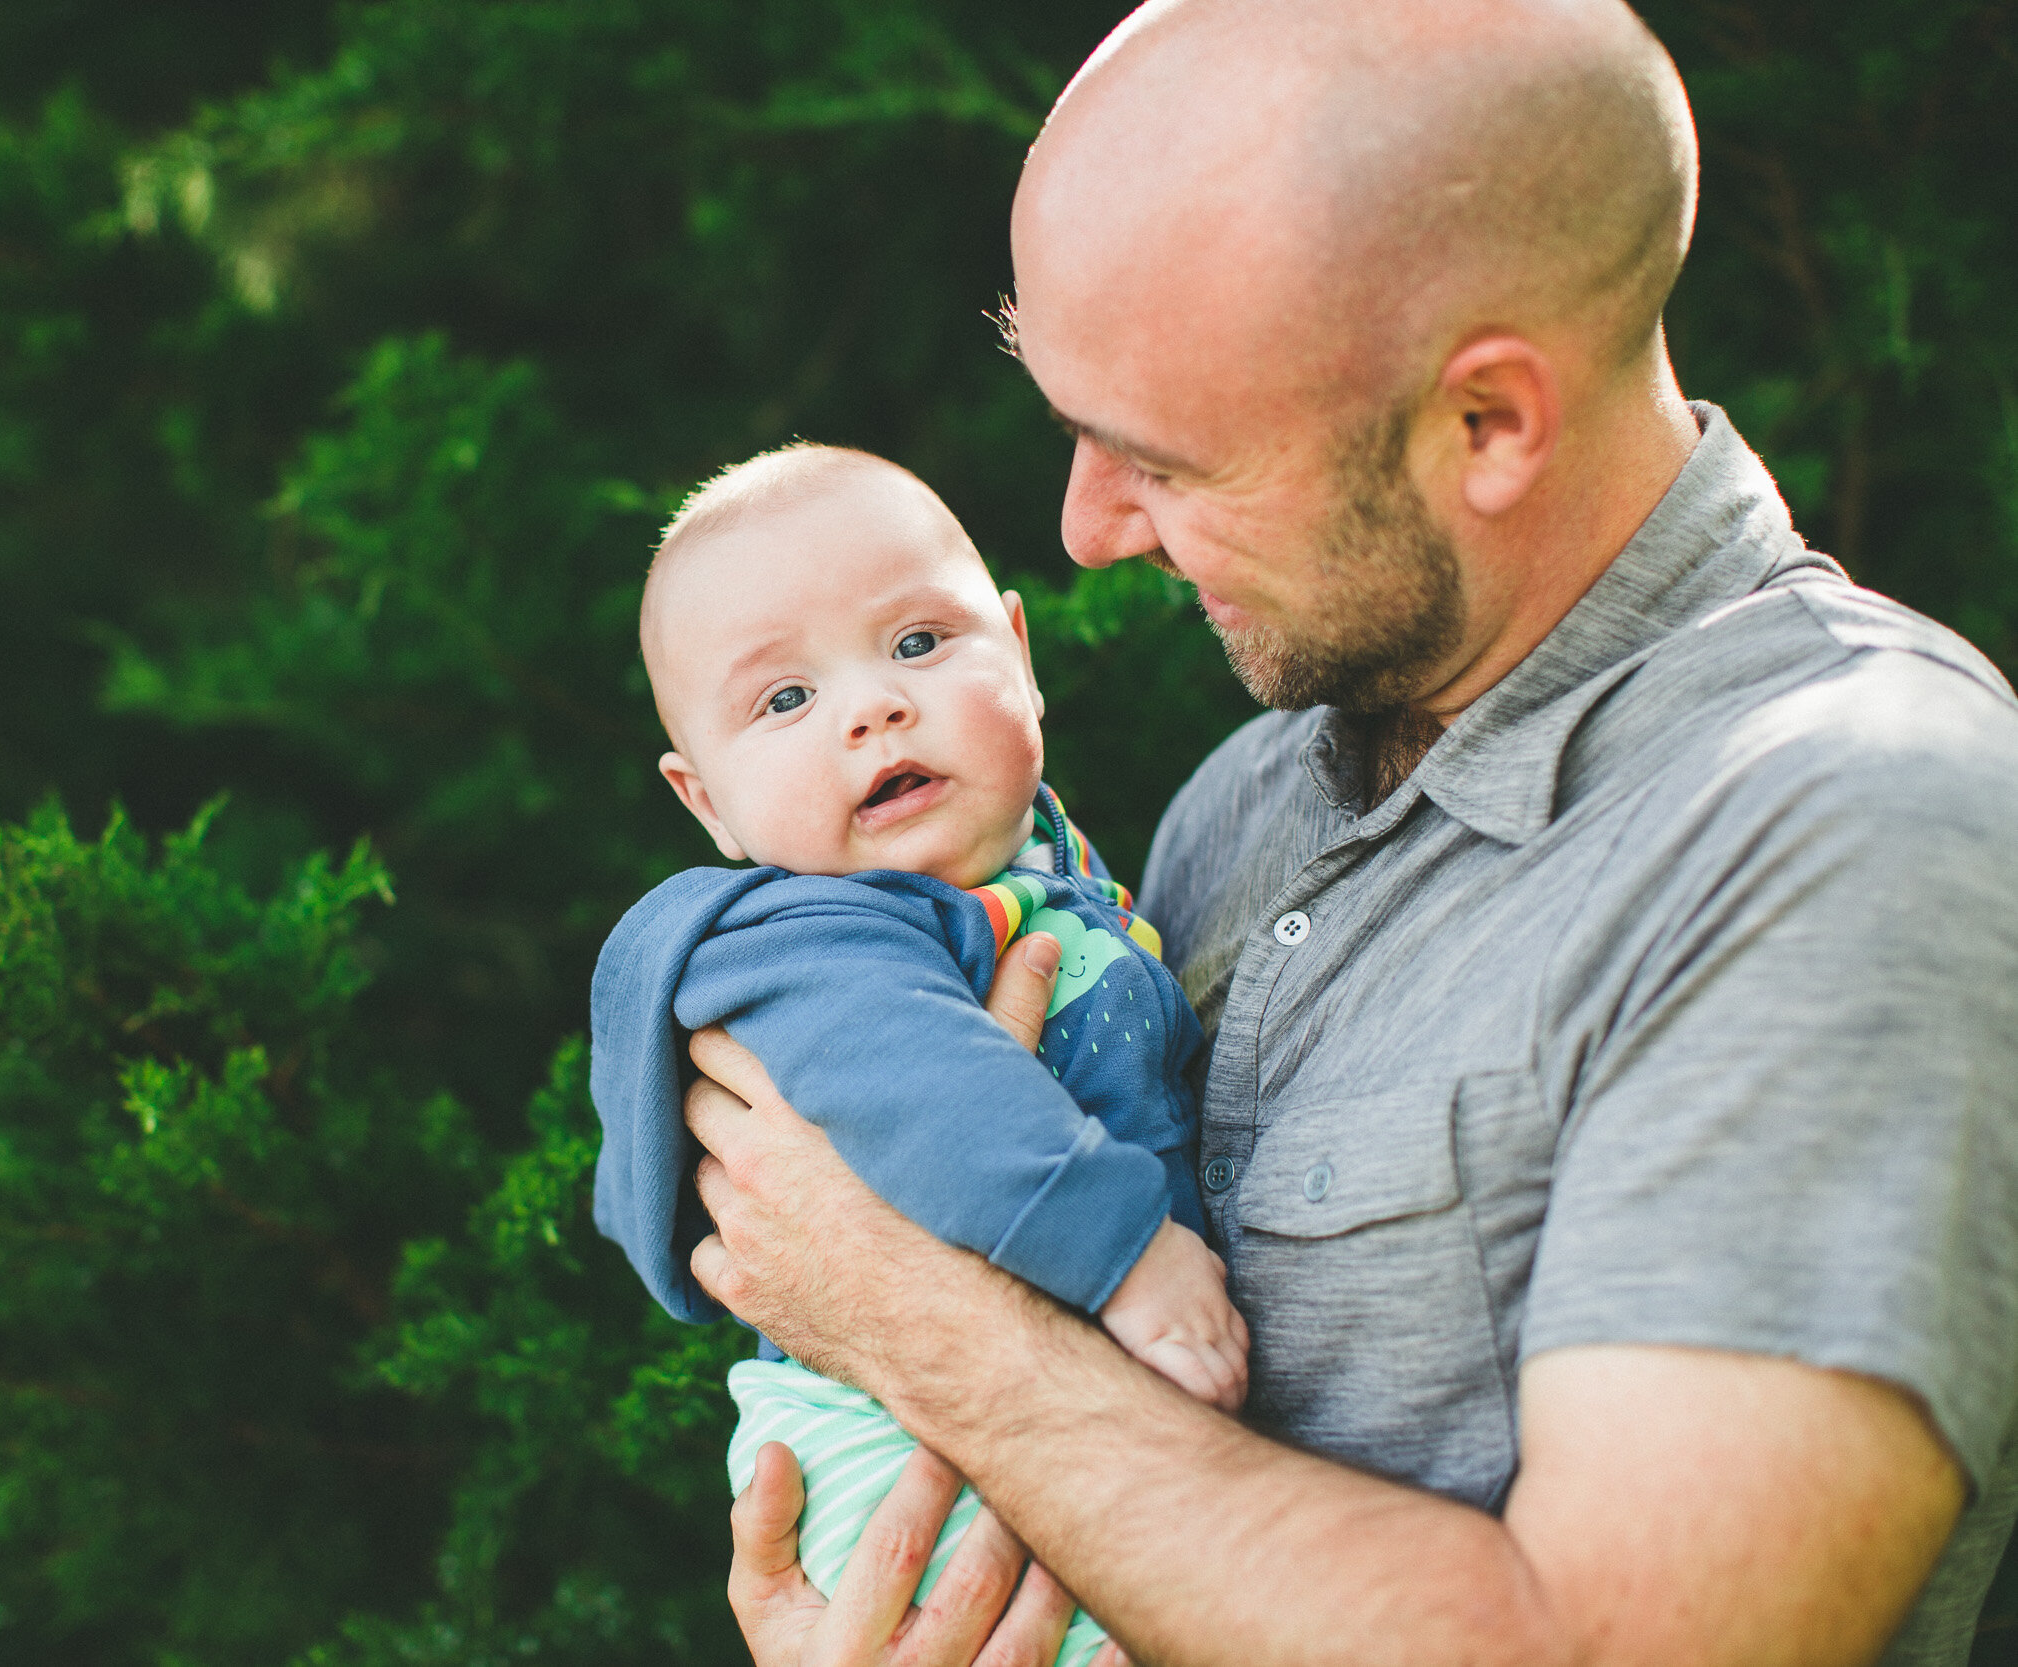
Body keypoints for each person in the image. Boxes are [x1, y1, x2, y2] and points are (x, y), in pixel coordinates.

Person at [674, 2, 2018, 1665]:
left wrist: (926, 1326)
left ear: (1489, 425)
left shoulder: (1842, 822)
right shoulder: (1249, 804)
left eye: (1161, 456)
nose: (1090, 532)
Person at [589, 443, 1249, 1667]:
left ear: (1020, 655)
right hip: (894, 1446)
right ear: (709, 804)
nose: (870, 706)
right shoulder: (809, 939)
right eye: (783, 701)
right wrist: (1127, 1259)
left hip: (1037, 1414)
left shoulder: (1039, 871)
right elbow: (931, 1096)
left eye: (916, 645)